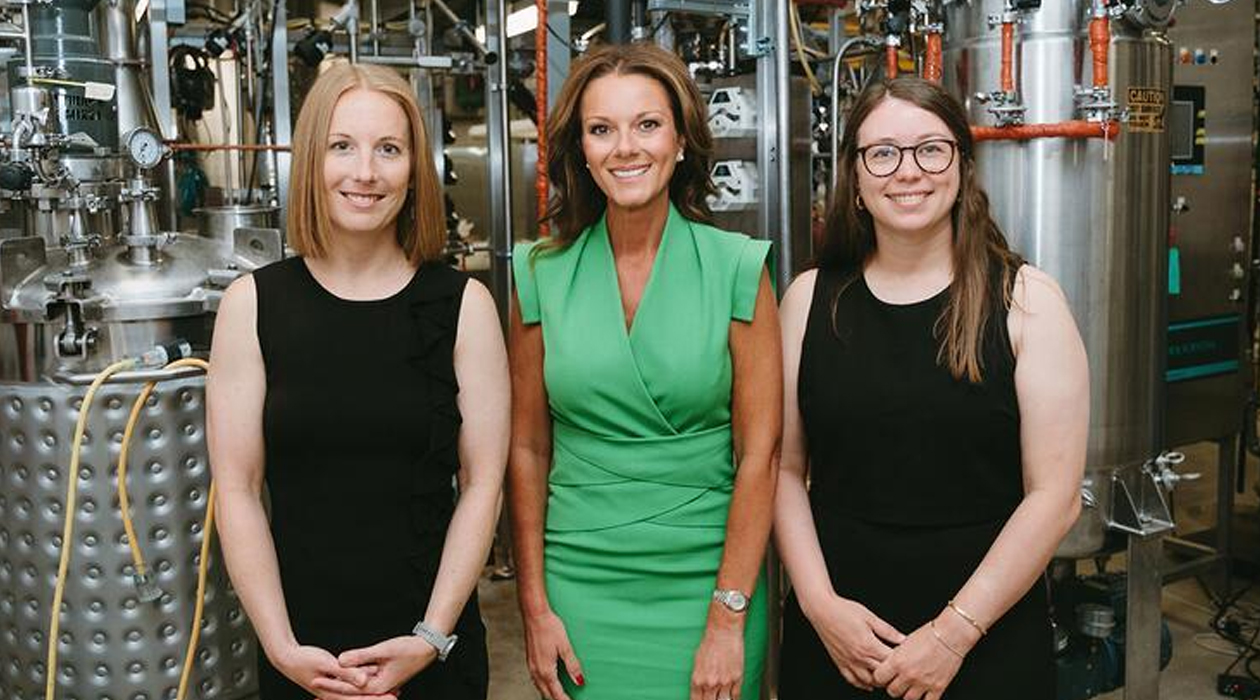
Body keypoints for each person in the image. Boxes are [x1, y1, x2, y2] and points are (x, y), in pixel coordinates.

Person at [774, 76, 1088, 700]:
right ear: (855, 178)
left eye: (931, 149)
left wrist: (952, 635)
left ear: (962, 168)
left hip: (987, 636)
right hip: (838, 639)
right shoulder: (808, 301)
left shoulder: (1028, 301)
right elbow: (782, 469)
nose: (908, 171)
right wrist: (818, 605)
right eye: (883, 153)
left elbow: (1054, 497)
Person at [207, 63, 508, 700]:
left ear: (414, 169)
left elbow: (483, 483)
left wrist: (430, 638)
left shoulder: (464, 306)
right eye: (342, 146)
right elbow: (237, 489)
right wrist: (282, 650)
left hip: (433, 645)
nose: (365, 172)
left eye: (388, 149)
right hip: (303, 654)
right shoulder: (252, 305)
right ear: (311, 160)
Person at [507, 43, 781, 700]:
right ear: (581, 150)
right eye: (602, 129)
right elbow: (527, 449)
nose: (625, 147)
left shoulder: (738, 268)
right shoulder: (539, 273)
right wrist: (535, 607)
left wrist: (728, 616)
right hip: (579, 586)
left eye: (647, 125)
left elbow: (761, 455)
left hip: (709, 585)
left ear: (681, 140)